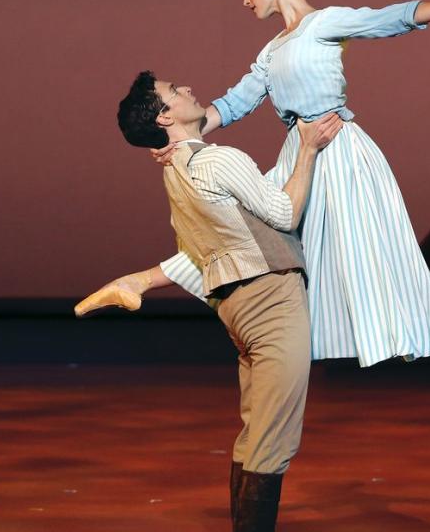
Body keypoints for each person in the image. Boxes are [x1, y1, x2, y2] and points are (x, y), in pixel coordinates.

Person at [152, 0, 430, 368]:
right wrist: (180, 140)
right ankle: (145, 281)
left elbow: (391, 18)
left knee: (366, 261)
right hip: (299, 155)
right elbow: (229, 106)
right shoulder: (270, 52)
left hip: (338, 152)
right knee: (244, 226)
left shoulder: (324, 23)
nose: (245, 0)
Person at [76, 71, 343, 531]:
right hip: (272, 301)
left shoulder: (177, 175)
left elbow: (202, 252)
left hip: (238, 311)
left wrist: (140, 280)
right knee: (272, 440)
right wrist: (308, 150)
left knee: (254, 434)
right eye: (174, 92)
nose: (187, 89)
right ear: (165, 115)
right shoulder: (217, 160)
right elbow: (284, 212)